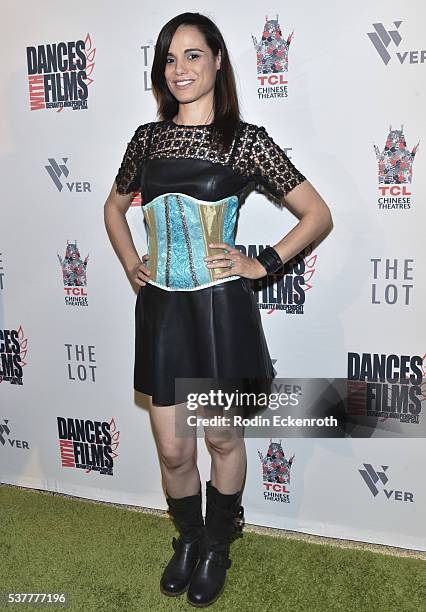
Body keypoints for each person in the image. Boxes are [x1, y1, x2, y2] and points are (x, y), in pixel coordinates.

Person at [103, 11, 333, 608]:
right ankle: (186, 538)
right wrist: (133, 264)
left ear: (218, 61)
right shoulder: (147, 140)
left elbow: (317, 214)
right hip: (162, 314)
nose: (180, 70)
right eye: (170, 59)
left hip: (218, 312)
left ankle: (216, 544)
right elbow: (112, 208)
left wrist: (265, 261)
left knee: (223, 441)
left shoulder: (245, 140)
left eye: (193, 56)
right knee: (173, 447)